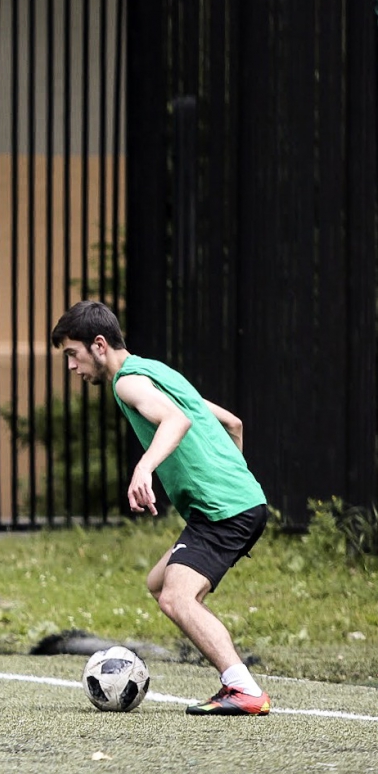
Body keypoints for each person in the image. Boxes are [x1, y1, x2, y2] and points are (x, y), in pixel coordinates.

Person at [50, 299, 271, 715]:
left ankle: (243, 688)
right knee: (159, 583)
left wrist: (144, 468)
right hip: (235, 504)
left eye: (72, 355)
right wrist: (234, 480)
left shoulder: (127, 382)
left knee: (175, 597)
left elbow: (175, 421)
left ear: (99, 345)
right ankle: (227, 665)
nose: (71, 367)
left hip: (222, 510)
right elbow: (232, 423)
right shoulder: (157, 371)